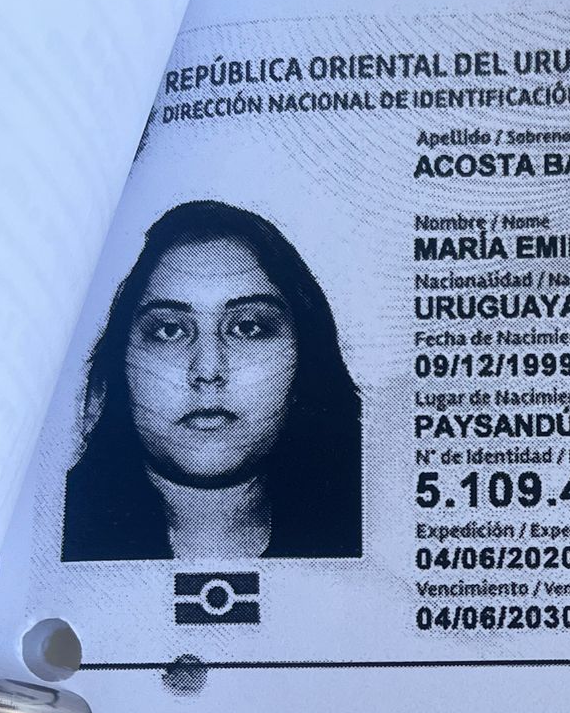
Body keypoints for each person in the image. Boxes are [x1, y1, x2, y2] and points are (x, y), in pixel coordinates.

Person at [61, 200, 362, 560]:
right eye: (169, 330)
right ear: (122, 366)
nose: (207, 370)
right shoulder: (54, 529)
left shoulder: (376, 525)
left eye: (247, 328)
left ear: (305, 357)